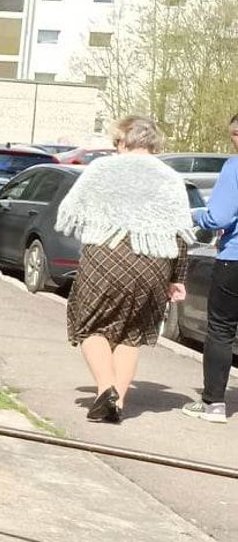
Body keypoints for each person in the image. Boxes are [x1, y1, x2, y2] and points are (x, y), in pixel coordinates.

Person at [53, 115, 194, 423]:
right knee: (131, 334)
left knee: (89, 324)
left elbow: (70, 211)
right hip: (153, 263)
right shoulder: (169, 177)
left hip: (105, 256)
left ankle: (106, 390)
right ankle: (117, 405)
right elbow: (180, 233)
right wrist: (177, 278)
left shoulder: (102, 169)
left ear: (124, 140)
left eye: (116, 141)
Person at [183, 113, 238, 423]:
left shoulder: (235, 167)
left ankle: (213, 403)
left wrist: (195, 216)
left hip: (235, 259)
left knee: (221, 329)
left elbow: (219, 218)